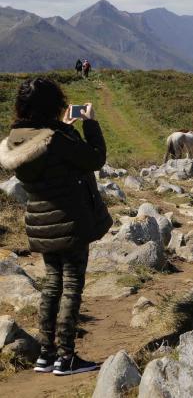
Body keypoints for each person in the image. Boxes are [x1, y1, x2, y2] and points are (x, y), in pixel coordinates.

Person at [0, 78, 112, 376]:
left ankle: (45, 354)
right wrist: (89, 123)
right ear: (54, 105)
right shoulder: (57, 138)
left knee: (51, 285)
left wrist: (62, 126)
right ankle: (66, 357)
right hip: (71, 221)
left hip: (40, 223)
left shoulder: (17, 139)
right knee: (72, 285)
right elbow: (95, 158)